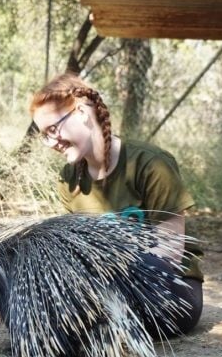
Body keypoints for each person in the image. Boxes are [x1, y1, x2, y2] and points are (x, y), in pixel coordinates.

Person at [30, 73, 203, 337]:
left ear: (82, 112)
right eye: (44, 135)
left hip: (167, 285)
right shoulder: (68, 179)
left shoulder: (151, 164)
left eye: (54, 129)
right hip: (103, 286)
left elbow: (169, 253)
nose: (52, 142)